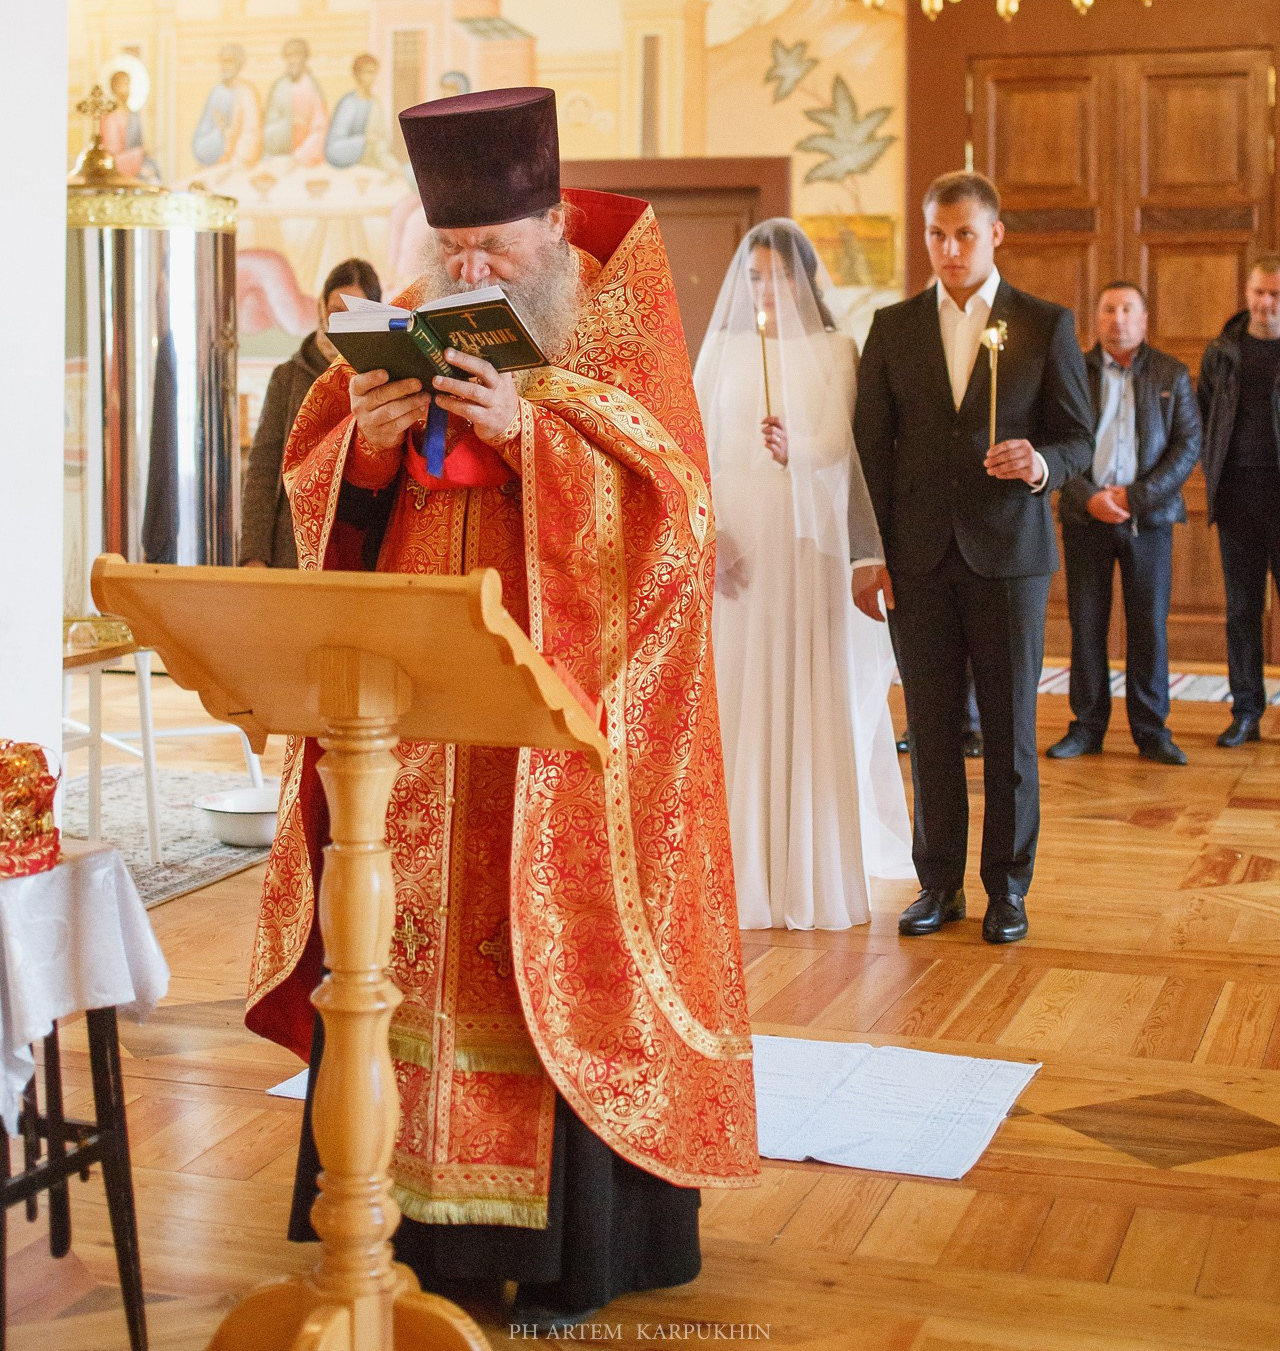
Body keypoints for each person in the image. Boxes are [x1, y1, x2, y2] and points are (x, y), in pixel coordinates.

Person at [246, 88, 757, 1332]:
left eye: (494, 251)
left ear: (545, 226)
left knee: (534, 958)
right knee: (394, 948)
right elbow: (323, 504)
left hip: (553, 739)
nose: (469, 271)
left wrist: (535, 435)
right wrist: (364, 451)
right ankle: (405, 1222)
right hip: (410, 729)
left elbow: (676, 522)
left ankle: (575, 1246)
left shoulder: (613, 321)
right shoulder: (408, 325)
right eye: (453, 252)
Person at [852, 171, 1093, 945]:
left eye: (964, 234)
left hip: (1011, 558)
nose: (949, 249)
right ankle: (939, 885)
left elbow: (1079, 440)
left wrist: (1041, 462)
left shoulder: (1045, 324)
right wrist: (870, 555)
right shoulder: (892, 328)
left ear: (995, 236)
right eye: (935, 234)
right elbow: (871, 452)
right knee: (928, 728)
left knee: (1011, 730)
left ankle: (1008, 889)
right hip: (918, 559)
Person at [693, 220, 912, 931]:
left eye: (778, 275)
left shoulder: (835, 349)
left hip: (806, 538)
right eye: (755, 276)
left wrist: (798, 447)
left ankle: (803, 873)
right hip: (741, 539)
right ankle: (737, 866)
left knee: (802, 688)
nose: (765, 288)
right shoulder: (723, 351)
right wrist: (711, 537)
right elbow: (695, 450)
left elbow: (844, 444)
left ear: (802, 279)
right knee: (742, 688)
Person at [1048, 282, 1201, 764]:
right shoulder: (1073, 371)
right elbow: (1054, 439)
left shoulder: (1171, 374)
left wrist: (1135, 497)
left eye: (1127, 309)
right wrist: (1089, 496)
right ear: (1095, 320)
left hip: (1148, 521)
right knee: (1087, 626)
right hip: (1085, 517)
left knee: (1148, 627)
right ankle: (1086, 728)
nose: (1118, 318)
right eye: (1108, 309)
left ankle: (1152, 731)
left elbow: (1187, 445)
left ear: (1145, 318)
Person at [239, 258, 381, 570]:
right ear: (321, 310)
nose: (343, 322)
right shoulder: (289, 377)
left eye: (357, 313)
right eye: (336, 312)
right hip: (293, 546)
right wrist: (254, 554)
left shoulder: (383, 378)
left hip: (363, 546)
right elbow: (263, 469)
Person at [1198, 255, 1280, 746]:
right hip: (1237, 501)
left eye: (1275, 294)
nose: (1265, 302)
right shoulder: (1222, 351)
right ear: (1246, 293)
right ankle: (1246, 710)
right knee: (1242, 610)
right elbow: (1206, 417)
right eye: (1259, 292)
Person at [324, 53, 401, 173]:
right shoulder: (349, 103)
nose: (372, 77)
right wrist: (364, 140)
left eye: (374, 72)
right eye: (367, 72)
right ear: (357, 74)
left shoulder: (376, 103)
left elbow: (383, 136)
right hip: (349, 157)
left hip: (374, 157)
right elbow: (335, 147)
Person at [192, 43, 262, 169]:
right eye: (223, 61)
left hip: (237, 164)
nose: (226, 66)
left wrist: (238, 161)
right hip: (214, 164)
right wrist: (219, 133)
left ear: (238, 65)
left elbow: (251, 131)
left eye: (230, 61)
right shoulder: (216, 92)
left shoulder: (246, 92)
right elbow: (204, 129)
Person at [262, 37, 328, 164]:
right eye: (289, 56)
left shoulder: (312, 87)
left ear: (305, 58)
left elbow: (321, 129)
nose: (292, 61)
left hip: (305, 157)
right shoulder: (279, 86)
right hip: (278, 156)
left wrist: (300, 156)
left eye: (296, 55)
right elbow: (269, 124)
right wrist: (286, 124)